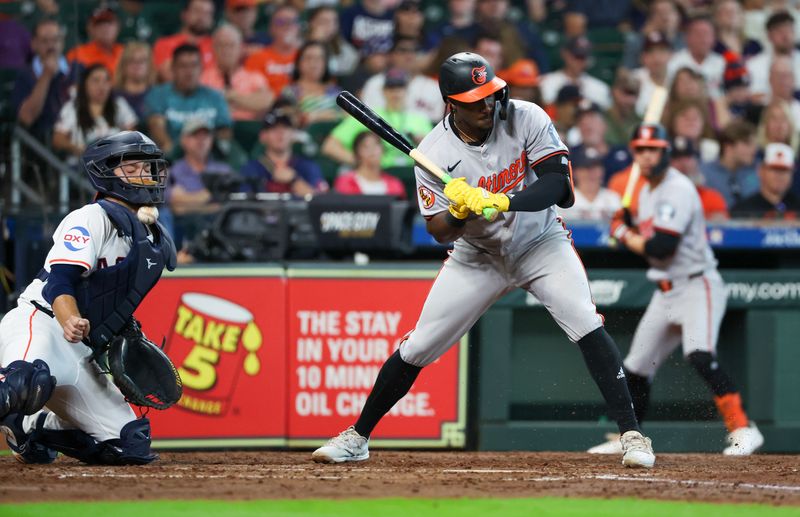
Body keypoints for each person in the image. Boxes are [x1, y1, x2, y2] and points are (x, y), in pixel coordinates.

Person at [312, 52, 656, 469]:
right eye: (474, 100)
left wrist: (502, 199)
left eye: (490, 95)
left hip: (540, 243)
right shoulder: (433, 152)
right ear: (450, 103)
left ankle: (633, 435)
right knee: (419, 344)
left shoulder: (526, 116)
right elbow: (439, 231)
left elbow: (560, 188)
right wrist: (460, 210)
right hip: (477, 256)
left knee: (584, 319)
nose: (487, 106)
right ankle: (358, 437)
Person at [0, 131, 177, 465]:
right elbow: (59, 283)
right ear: (106, 172)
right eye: (134, 167)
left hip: (80, 350)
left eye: (149, 167)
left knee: (130, 445)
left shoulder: (155, 239)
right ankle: (21, 409)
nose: (146, 175)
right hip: (43, 324)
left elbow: (109, 297)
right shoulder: (91, 217)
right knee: (22, 384)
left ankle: (31, 427)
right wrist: (70, 319)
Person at [589, 123, 764, 456]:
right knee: (637, 366)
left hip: (698, 284)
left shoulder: (678, 189)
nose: (646, 156)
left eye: (653, 149)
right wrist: (627, 220)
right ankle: (630, 437)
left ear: (665, 153)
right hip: (666, 290)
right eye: (640, 149)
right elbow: (649, 236)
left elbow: (660, 247)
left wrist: (623, 233)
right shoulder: (644, 190)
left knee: (698, 354)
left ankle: (743, 429)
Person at [322, 68, 432, 169]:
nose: (395, 93)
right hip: (380, 174)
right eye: (391, 88)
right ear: (383, 91)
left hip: (413, 175)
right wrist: (362, 163)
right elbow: (330, 146)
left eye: (400, 87)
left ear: (407, 90)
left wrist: (424, 144)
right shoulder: (369, 115)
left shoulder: (421, 119)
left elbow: (435, 155)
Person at [144, 44, 233, 156]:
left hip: (208, 158)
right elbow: (156, 127)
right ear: (173, 68)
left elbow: (224, 131)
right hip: (171, 158)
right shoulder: (158, 94)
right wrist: (173, 154)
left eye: (194, 65)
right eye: (183, 66)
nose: (189, 71)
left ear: (201, 68)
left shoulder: (215, 97)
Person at [53, 64, 138, 165]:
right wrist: (76, 148)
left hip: (115, 164)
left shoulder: (119, 105)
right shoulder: (72, 108)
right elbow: (58, 139)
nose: (101, 86)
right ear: (85, 84)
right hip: (81, 167)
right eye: (96, 80)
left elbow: (133, 135)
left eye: (106, 81)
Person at [12, 18, 79, 140]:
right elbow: (27, 118)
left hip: (77, 137)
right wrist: (46, 76)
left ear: (62, 42)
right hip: (41, 144)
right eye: (44, 41)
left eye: (55, 40)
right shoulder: (24, 75)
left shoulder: (77, 69)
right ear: (34, 44)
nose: (51, 46)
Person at [240, 108, 328, 196]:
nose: (281, 133)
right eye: (274, 129)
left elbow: (320, 201)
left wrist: (294, 180)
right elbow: (244, 202)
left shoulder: (307, 166)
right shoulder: (251, 169)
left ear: (293, 134)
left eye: (285, 128)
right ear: (263, 136)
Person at [360, 36, 444, 123]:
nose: (409, 56)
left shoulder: (434, 88)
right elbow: (367, 119)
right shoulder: (375, 83)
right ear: (391, 55)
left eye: (414, 50)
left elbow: (435, 124)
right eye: (403, 50)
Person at [201, 24, 273, 122]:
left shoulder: (254, 77)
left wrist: (231, 96)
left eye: (231, 45)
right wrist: (248, 102)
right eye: (221, 45)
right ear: (213, 48)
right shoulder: (202, 77)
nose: (226, 51)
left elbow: (266, 101)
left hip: (246, 129)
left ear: (241, 48)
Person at [244, 4, 302, 99]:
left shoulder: (307, 56)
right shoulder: (257, 58)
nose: (287, 26)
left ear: (299, 27)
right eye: (280, 22)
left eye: (292, 21)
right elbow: (250, 92)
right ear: (271, 28)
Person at [280, 41, 342, 128]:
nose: (314, 63)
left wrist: (318, 116)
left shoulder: (334, 90)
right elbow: (291, 120)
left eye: (319, 58)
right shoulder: (290, 91)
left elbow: (348, 116)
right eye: (308, 58)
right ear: (298, 63)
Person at [539, 36, 611, 109]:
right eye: (577, 56)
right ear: (565, 54)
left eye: (584, 57)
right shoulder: (546, 82)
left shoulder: (600, 88)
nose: (580, 61)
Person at [731, 142, 800, 219]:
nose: (780, 175)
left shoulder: (797, 206)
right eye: (774, 169)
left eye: (784, 170)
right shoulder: (742, 210)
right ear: (761, 171)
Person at [700, 120, 759, 207]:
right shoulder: (705, 173)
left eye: (754, 144)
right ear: (728, 147)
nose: (754, 150)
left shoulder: (757, 171)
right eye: (747, 144)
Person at [152, 0, 215, 82]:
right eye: (197, 11)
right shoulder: (164, 44)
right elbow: (167, 76)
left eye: (207, 13)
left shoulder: (218, 46)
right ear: (184, 14)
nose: (201, 17)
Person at [667, 16, 726, 98]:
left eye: (706, 34)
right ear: (687, 37)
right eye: (698, 34)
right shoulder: (674, 62)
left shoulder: (722, 62)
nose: (703, 39)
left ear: (714, 38)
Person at [333, 132, 407, 198]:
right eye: (366, 146)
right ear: (357, 152)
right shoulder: (345, 182)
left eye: (376, 145)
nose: (372, 150)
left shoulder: (394, 184)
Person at [746, 11, 800, 101]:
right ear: (769, 36)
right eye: (779, 31)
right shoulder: (754, 65)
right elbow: (753, 96)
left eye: (788, 30)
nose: (785, 36)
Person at [558, 147, 620, 221]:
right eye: (586, 168)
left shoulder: (613, 198)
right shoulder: (564, 200)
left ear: (602, 171)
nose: (592, 173)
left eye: (596, 167)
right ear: (575, 172)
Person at [66, 7, 123, 79]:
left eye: (109, 22)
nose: (105, 27)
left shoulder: (125, 52)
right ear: (90, 28)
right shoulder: (77, 53)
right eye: (99, 23)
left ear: (118, 26)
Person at [114, 42, 156, 124]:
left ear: (149, 65)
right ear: (123, 65)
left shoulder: (158, 94)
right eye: (131, 61)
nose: (137, 65)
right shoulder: (112, 96)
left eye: (142, 61)